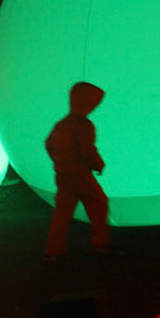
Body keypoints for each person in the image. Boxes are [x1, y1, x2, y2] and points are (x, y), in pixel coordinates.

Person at [44, 81, 109, 260]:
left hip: (63, 175)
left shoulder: (61, 124)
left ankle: (53, 250)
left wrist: (59, 161)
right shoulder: (84, 125)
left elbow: (49, 144)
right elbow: (87, 149)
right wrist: (98, 164)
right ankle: (100, 242)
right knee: (99, 202)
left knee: (62, 214)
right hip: (79, 174)